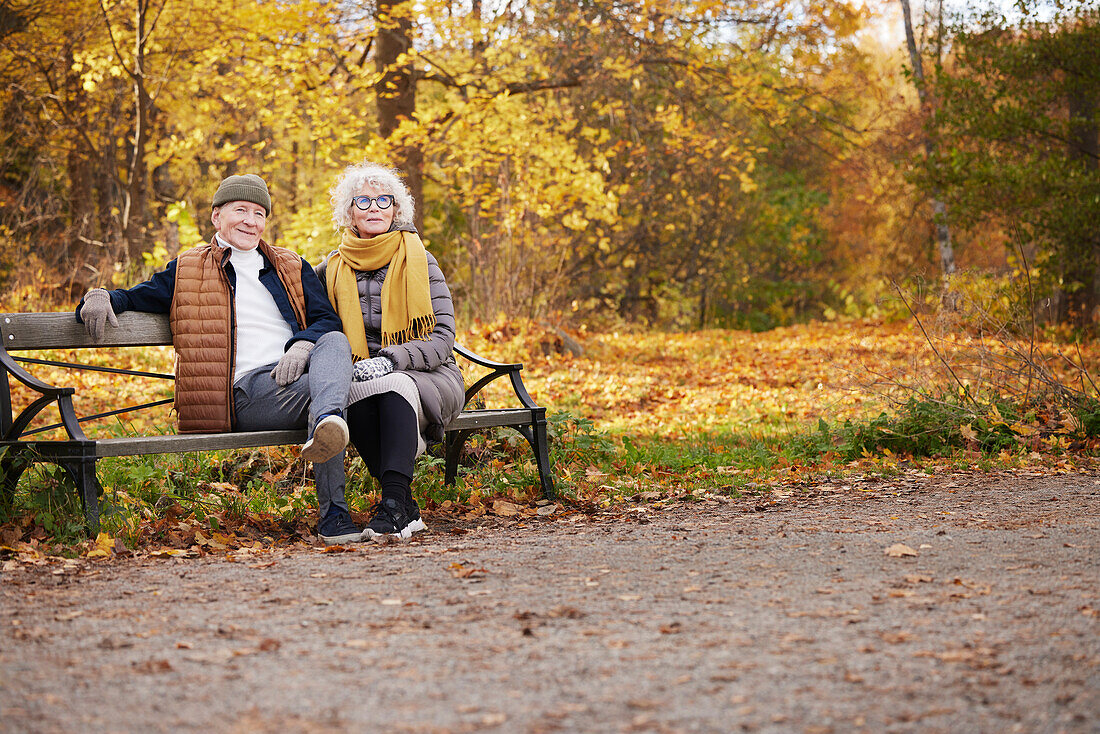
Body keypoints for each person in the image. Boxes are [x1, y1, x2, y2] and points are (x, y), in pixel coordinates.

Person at [76, 174, 363, 545]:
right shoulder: (187, 269)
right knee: (341, 394)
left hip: (298, 377)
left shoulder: (291, 266)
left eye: (259, 213)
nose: (250, 221)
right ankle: (335, 514)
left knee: (334, 344)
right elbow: (133, 297)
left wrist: (302, 344)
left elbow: (326, 320)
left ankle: (330, 431)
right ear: (216, 218)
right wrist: (98, 296)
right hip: (244, 393)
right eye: (240, 210)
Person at [317, 162, 464, 540]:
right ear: (348, 212)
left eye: (385, 200)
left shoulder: (420, 259)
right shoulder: (331, 269)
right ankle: (403, 506)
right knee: (351, 393)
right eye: (363, 201)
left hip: (427, 371)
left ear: (397, 209)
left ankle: (394, 506)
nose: (375, 208)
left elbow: (443, 337)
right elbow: (309, 319)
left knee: (393, 384)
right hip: (361, 373)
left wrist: (390, 359)